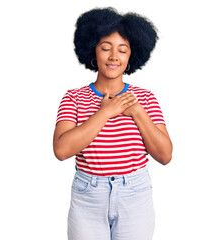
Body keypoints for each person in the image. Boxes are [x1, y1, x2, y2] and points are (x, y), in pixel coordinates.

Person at [53, 7, 173, 240]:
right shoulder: (74, 98)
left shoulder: (145, 98)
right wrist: (106, 113)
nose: (113, 56)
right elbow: (61, 150)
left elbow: (165, 155)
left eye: (123, 50)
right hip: (88, 196)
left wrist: (137, 111)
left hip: (135, 196)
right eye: (105, 48)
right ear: (93, 52)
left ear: (131, 58)